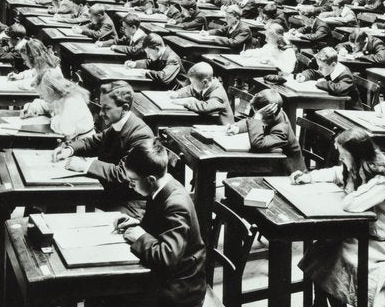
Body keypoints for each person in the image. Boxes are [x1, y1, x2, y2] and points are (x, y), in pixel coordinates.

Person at [292, 130, 385, 307]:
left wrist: (350, 187)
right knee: (322, 249)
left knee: (334, 261)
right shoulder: (358, 166)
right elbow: (337, 172)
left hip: (384, 243)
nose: (340, 157)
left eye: (343, 154)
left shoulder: (381, 180)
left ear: (357, 154)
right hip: (362, 234)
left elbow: (353, 204)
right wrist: (309, 177)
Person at [90, 141, 206, 307]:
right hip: (168, 280)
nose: (131, 186)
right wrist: (137, 225)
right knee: (101, 296)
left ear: (150, 180)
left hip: (180, 293)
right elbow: (160, 229)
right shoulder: (162, 187)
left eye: (133, 181)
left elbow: (166, 256)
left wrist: (141, 236)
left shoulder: (176, 203)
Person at [55, 82, 153, 214]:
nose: (101, 113)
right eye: (101, 106)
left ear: (124, 108)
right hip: (109, 193)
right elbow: (94, 142)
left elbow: (123, 174)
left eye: (106, 108)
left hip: (128, 204)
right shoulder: (118, 124)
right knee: (61, 201)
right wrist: (69, 149)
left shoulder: (141, 135)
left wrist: (85, 166)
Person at [226, 89, 305, 174]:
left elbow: (258, 144)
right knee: (234, 171)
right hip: (273, 162)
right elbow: (252, 121)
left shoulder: (282, 129)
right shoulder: (274, 113)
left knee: (235, 172)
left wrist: (258, 116)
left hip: (288, 173)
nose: (256, 115)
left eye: (257, 112)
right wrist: (237, 128)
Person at [19, 70, 95, 138]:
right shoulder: (57, 96)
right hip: (71, 140)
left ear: (50, 90)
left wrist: (54, 119)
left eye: (42, 94)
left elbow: (66, 129)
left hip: (84, 144)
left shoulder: (71, 100)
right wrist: (30, 109)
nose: (41, 97)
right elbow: (43, 105)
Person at [169, 62, 234, 124]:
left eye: (194, 83)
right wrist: (177, 94)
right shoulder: (204, 85)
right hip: (208, 121)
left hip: (222, 128)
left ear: (204, 82)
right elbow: (190, 89)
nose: (192, 85)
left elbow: (205, 107)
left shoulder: (218, 94)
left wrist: (188, 101)